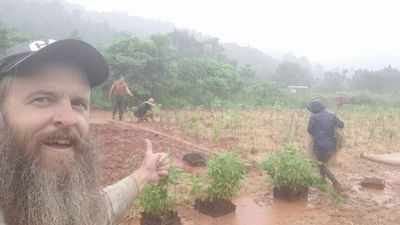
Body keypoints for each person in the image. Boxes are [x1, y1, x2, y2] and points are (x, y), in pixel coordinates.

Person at [0, 39, 169, 225]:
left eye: (78, 103)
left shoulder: (60, 203)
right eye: (42, 99)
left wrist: (143, 174)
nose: (69, 119)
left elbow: (94, 215)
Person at [307, 99, 345, 192]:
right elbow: (341, 124)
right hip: (332, 145)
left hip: (320, 145)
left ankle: (336, 182)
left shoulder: (314, 117)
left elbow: (310, 130)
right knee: (323, 163)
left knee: (321, 165)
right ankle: (322, 181)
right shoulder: (331, 116)